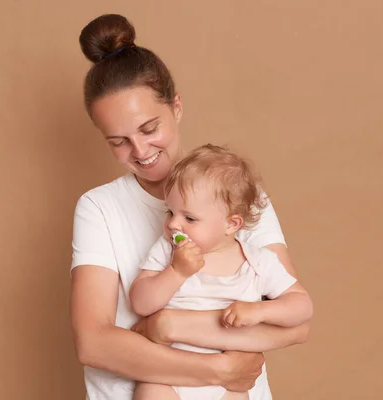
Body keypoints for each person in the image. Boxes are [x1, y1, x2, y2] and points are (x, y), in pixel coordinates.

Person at [71, 13, 312, 400]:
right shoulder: (99, 208)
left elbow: (296, 324)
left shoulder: (242, 197)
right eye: (118, 141)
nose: (140, 151)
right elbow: (93, 343)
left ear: (177, 107)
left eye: (149, 129)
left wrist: (168, 326)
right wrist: (217, 368)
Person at [129, 144, 313, 400]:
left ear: (231, 224)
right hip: (168, 375)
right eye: (170, 212)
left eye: (189, 219)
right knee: (150, 393)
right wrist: (176, 272)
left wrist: (260, 311)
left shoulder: (258, 261)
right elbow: (140, 302)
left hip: (228, 384)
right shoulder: (168, 251)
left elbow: (302, 306)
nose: (173, 224)